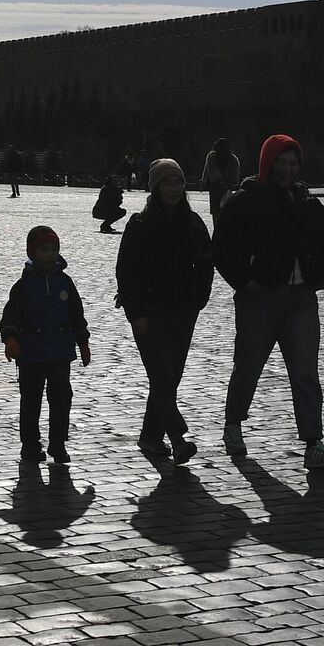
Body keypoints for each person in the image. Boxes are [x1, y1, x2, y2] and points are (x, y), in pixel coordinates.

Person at [214, 134, 324, 470]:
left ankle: (314, 441)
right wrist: (247, 280)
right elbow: (224, 247)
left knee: (305, 372)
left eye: (292, 163)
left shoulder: (305, 200)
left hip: (301, 297)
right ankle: (233, 423)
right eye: (281, 163)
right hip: (260, 298)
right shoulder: (246, 201)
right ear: (268, 163)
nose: (287, 169)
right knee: (249, 365)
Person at [115, 158, 213, 463]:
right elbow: (126, 272)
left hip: (183, 312)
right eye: (166, 183)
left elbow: (207, 262)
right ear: (155, 187)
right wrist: (136, 314)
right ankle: (178, 438)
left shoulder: (193, 223)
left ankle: (150, 437)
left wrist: (199, 298)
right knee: (162, 376)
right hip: (151, 311)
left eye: (178, 182)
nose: (173, 189)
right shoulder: (140, 224)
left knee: (169, 378)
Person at [1, 226, 92, 464]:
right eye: (44, 250)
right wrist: (10, 338)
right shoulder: (23, 285)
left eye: (54, 249)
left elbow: (76, 314)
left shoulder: (65, 282)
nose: (50, 255)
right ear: (32, 252)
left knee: (61, 398)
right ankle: (30, 445)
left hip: (60, 350)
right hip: (31, 352)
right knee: (31, 401)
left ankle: (58, 443)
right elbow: (11, 315)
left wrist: (82, 341)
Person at [201, 138, 241, 220]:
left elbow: (210, 172)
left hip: (215, 188)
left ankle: (216, 230)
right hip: (227, 188)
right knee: (227, 210)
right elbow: (235, 177)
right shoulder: (233, 159)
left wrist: (204, 180)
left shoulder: (211, 157)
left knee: (215, 212)